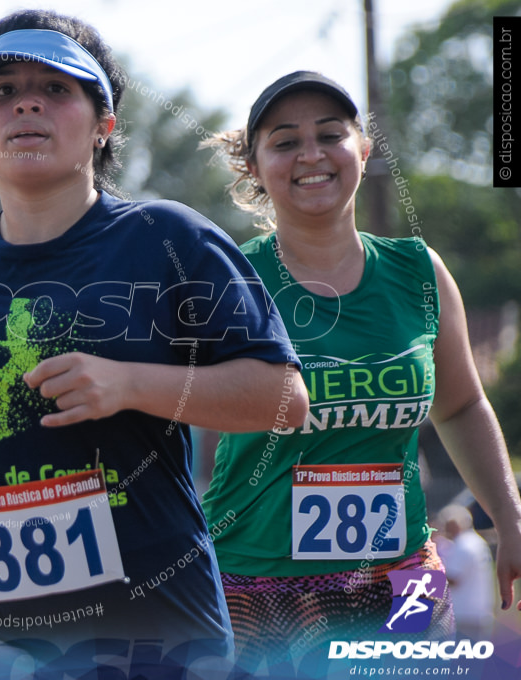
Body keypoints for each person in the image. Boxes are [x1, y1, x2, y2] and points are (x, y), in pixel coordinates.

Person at [0, 10, 309, 678]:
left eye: (56, 89)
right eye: (2, 92)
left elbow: (284, 400)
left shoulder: (168, 238)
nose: (26, 102)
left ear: (104, 125)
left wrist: (131, 384)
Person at [201, 71, 521, 673]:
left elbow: (460, 406)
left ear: (364, 151)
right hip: (259, 586)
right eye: (285, 141)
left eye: (330, 135)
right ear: (254, 166)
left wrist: (509, 514)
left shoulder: (418, 271)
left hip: (405, 578)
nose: (311, 155)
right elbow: (168, 410)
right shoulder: (228, 281)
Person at [436, 504, 495, 640]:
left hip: (464, 612)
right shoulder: (477, 541)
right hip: (479, 610)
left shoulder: (462, 545)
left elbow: (454, 579)